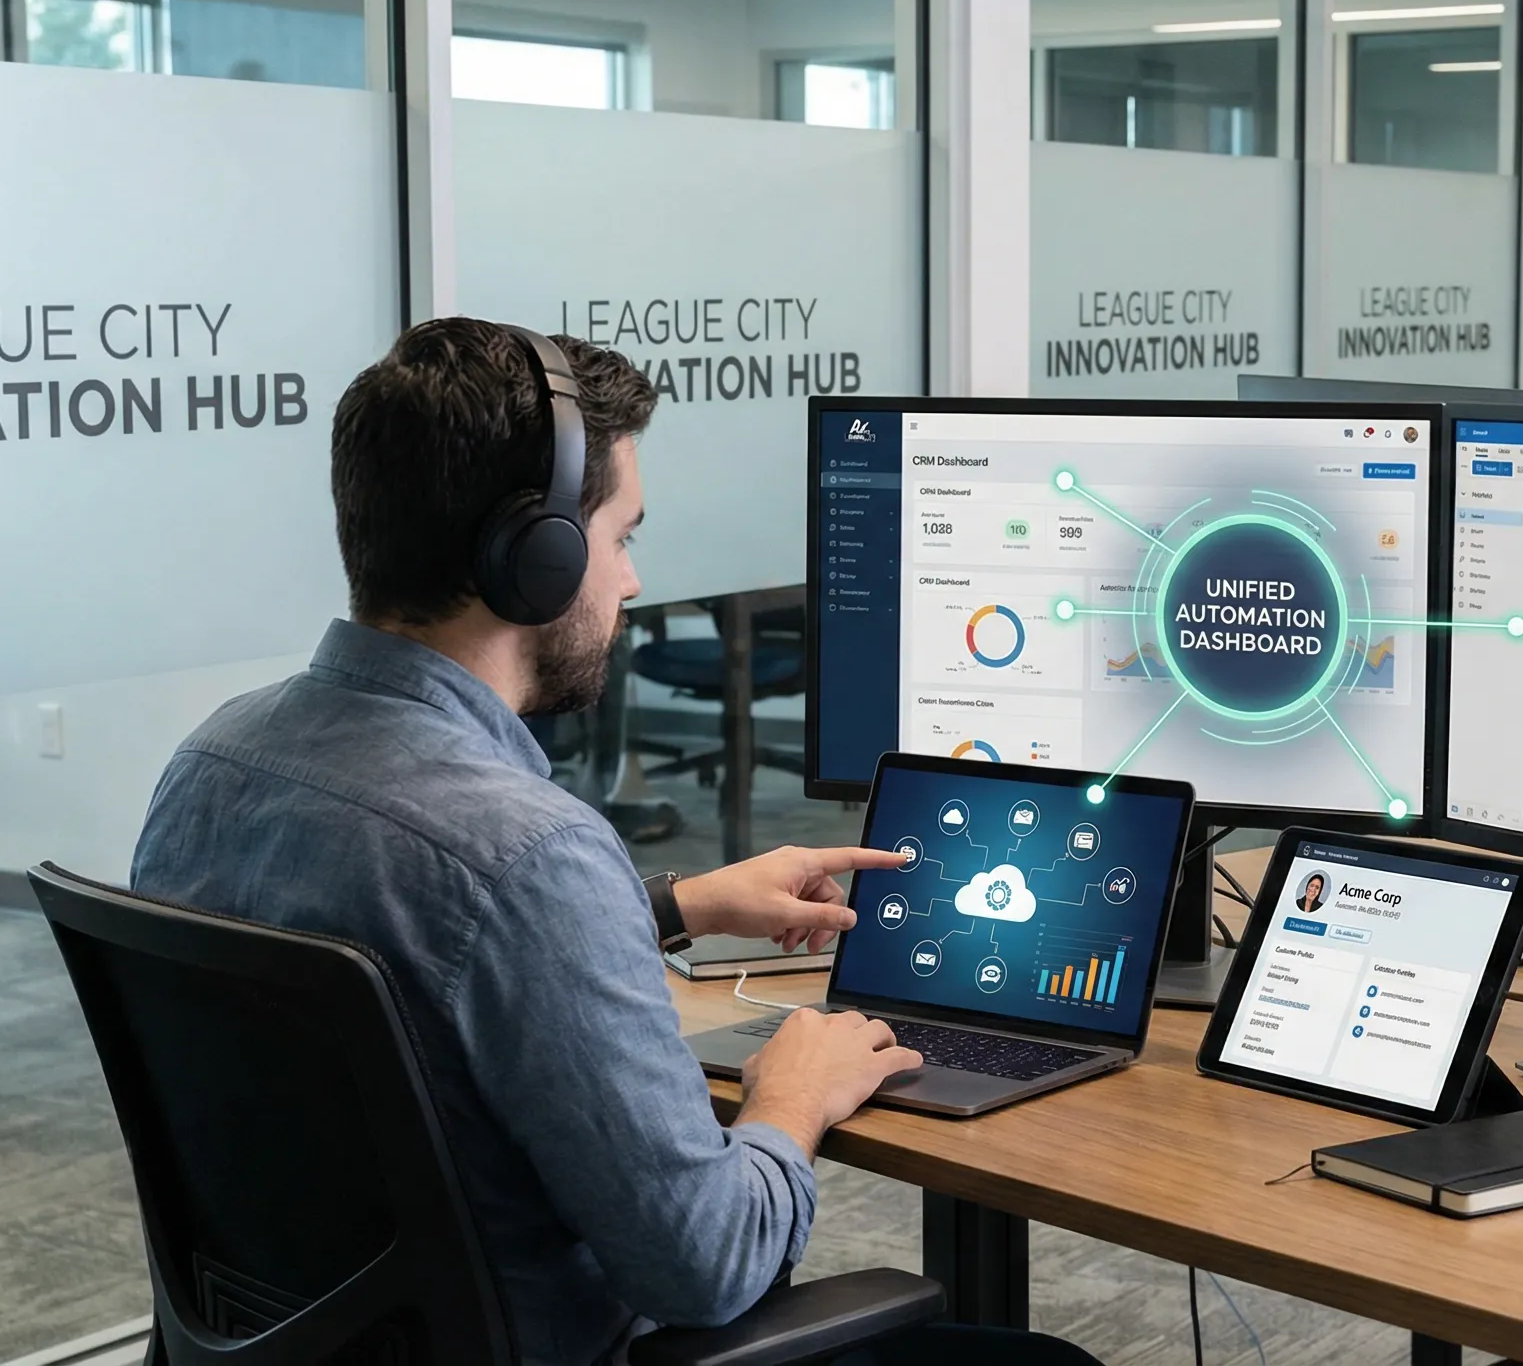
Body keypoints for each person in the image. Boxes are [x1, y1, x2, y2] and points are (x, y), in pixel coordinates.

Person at [130, 318, 1098, 1366]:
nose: (631, 583)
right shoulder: (527, 856)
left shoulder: (212, 763)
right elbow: (706, 1268)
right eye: (622, 536)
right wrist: (788, 1102)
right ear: (532, 562)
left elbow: (414, 935)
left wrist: (672, 903)